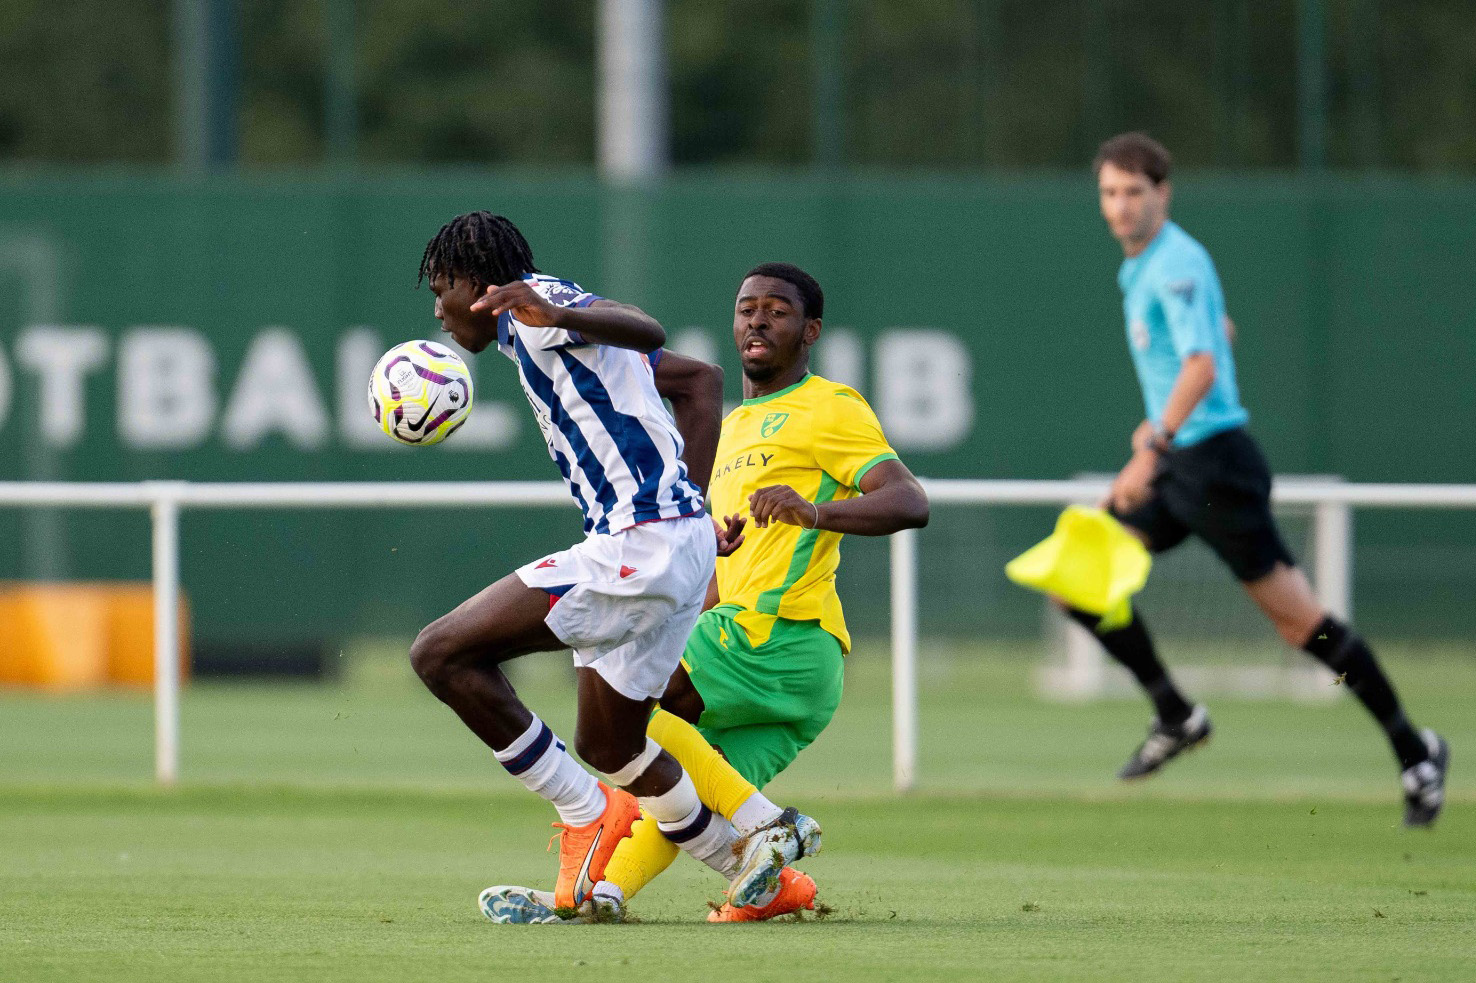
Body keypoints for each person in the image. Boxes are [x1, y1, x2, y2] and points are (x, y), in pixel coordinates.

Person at [481, 261, 930, 924]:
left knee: (617, 724)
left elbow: (909, 501)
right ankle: (597, 898)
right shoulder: (727, 428)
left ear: (811, 331)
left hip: (777, 635)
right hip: (791, 671)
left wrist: (814, 510)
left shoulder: (827, 406)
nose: (756, 318)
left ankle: (773, 823)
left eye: (777, 310)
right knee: (673, 786)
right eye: (747, 307)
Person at [410, 212, 820, 921]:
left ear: (479, 286)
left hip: (638, 545)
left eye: (443, 288)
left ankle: (583, 813)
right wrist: (691, 506)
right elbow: (701, 381)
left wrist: (558, 311)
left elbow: (647, 328)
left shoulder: (546, 313)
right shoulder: (547, 320)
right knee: (610, 739)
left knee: (440, 653)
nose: (437, 309)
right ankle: (758, 860)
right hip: (675, 541)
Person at [1082, 134, 1448, 827]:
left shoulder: (1176, 261)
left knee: (1300, 625)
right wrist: (1159, 428)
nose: (1121, 206)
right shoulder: (1145, 266)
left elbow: (1201, 367)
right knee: (1078, 576)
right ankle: (1176, 713)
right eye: (1110, 192)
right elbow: (1219, 334)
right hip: (1182, 457)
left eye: (1134, 192)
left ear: (1163, 193)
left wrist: (1150, 445)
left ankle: (1416, 749)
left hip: (1216, 466)